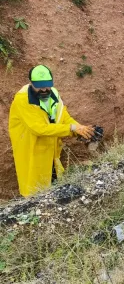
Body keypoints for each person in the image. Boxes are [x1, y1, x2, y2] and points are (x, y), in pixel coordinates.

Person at [8, 65, 95, 197]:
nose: (44, 89)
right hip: (32, 149)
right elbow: (39, 129)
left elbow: (64, 117)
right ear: (31, 83)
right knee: (34, 189)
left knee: (53, 181)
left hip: (51, 149)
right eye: (39, 86)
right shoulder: (22, 100)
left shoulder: (53, 94)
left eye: (47, 85)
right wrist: (71, 128)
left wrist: (80, 128)